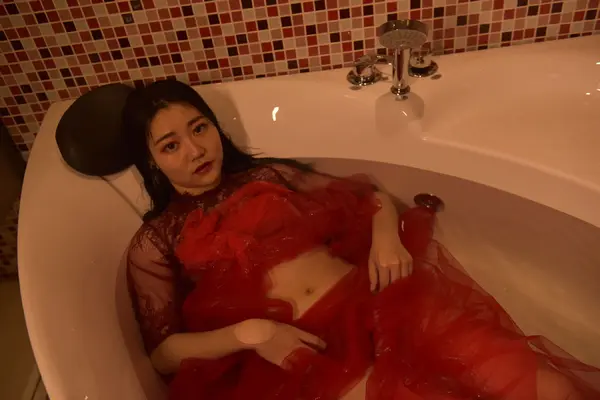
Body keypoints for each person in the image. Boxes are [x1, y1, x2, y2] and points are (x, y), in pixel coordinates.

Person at [124, 79, 599, 400]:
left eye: (200, 128)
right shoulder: (156, 240)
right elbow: (163, 354)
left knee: (549, 389)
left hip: (377, 300)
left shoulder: (268, 175)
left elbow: (367, 197)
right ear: (151, 162)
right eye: (171, 146)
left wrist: (386, 237)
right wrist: (250, 334)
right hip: (305, 352)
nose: (195, 150)